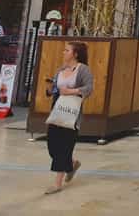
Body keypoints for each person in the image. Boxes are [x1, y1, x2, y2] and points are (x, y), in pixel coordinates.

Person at [45, 41, 94, 195]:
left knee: (64, 146)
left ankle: (57, 183)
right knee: (52, 146)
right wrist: (50, 89)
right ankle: (72, 164)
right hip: (57, 109)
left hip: (72, 111)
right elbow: (55, 88)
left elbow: (89, 88)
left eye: (67, 50)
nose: (63, 52)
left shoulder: (83, 70)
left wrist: (71, 91)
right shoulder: (61, 69)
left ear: (75, 54)